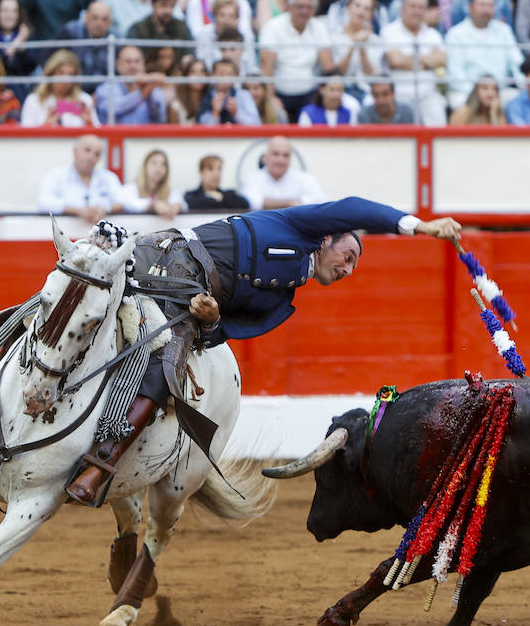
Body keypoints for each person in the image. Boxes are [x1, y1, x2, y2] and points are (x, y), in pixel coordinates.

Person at [55, 199, 465, 506]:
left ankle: (99, 467)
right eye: (349, 256)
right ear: (327, 239)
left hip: (184, 304)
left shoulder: (279, 305)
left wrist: (213, 317)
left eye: (354, 268)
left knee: (167, 369)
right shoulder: (299, 228)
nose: (348, 270)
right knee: (66, 294)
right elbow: (353, 207)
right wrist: (418, 226)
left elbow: (214, 338)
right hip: (164, 254)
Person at [259, 0, 333, 123]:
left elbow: (328, 67)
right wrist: (271, 98)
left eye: (309, 7)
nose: (304, 11)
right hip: (279, 93)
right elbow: (266, 68)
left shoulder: (319, 27)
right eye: (300, 6)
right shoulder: (273, 27)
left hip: (310, 93)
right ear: (289, 7)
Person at [444, 0, 524, 109]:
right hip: (466, 92)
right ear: (471, 7)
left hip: (500, 91)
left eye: (490, 6)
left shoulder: (504, 30)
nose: (486, 10)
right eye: (482, 5)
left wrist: (525, 85)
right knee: (459, 103)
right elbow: (455, 73)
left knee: (520, 99)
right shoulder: (455, 34)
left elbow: (516, 62)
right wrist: (481, 93)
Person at [381, 0, 447, 126]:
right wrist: (427, 60)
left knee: (439, 131)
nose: (417, 11)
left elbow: (442, 60)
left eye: (421, 7)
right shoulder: (389, 31)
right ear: (403, 8)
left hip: (428, 95)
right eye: (413, 6)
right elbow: (396, 61)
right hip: (399, 96)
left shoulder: (432, 34)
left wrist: (410, 59)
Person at [36, 133, 126, 222]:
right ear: (75, 151)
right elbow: (43, 203)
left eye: (97, 154)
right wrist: (78, 211)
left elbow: (124, 202)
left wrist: (105, 209)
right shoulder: (56, 175)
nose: (91, 157)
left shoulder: (108, 177)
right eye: (87, 150)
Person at [240, 134, 325, 210]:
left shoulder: (305, 179)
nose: (281, 160)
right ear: (265, 157)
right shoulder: (251, 178)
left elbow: (320, 201)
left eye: (286, 155)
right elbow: (252, 202)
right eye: (276, 154)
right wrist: (291, 203)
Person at [20, 48, 98, 125]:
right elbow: (24, 136)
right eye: (61, 73)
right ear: (51, 73)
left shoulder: (85, 100)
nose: (65, 80)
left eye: (70, 74)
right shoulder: (33, 100)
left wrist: (89, 123)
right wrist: (45, 127)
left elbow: (101, 134)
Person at [331, 0, 382, 105]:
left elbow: (370, 74)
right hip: (341, 89)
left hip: (366, 90)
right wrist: (353, 45)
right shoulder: (334, 37)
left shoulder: (375, 41)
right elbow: (339, 72)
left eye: (366, 8)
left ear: (371, 14)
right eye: (357, 5)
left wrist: (362, 47)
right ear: (348, 7)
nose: (361, 11)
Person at [95, 43, 167, 124]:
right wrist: (143, 93)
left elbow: (160, 117)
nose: (133, 66)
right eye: (128, 61)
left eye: (137, 61)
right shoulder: (105, 88)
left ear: (143, 64)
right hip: (116, 136)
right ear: (118, 65)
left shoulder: (153, 88)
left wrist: (149, 95)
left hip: (145, 136)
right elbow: (116, 108)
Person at [127, 0, 192, 69]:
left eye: (171, 6)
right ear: (153, 4)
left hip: (176, 78)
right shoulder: (138, 29)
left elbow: (190, 56)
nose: (168, 10)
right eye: (163, 5)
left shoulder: (182, 27)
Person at [56, 0, 115, 89]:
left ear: (110, 23)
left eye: (104, 19)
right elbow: (53, 61)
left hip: (104, 93)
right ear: (86, 18)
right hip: (72, 89)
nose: (99, 23)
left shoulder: (115, 41)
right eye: (95, 18)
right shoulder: (70, 32)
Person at [0, 0, 36, 86]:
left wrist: (21, 45)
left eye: (14, 11)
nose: (9, 15)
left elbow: (31, 65)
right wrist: (16, 43)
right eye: (5, 10)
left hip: (22, 85)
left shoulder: (26, 34)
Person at [200, 56, 260, 124]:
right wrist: (215, 113)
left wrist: (236, 113)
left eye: (229, 74)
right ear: (213, 75)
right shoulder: (206, 96)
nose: (225, 78)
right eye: (221, 74)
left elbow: (256, 123)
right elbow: (203, 128)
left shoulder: (244, 95)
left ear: (236, 76)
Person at [182, 153, 249, 212]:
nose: (216, 173)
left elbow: (245, 204)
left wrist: (223, 198)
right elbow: (194, 204)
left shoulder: (230, 195)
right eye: (210, 169)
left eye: (219, 169)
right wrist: (216, 199)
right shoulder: (191, 196)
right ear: (201, 172)